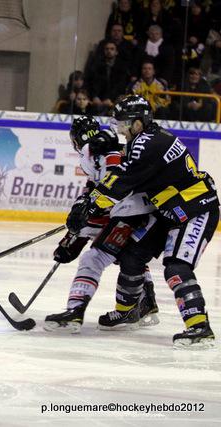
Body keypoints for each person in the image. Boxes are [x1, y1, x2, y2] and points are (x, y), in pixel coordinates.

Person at [85, 95, 218, 348]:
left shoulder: (150, 143)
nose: (121, 130)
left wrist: (91, 202)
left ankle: (199, 327)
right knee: (131, 255)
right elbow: (128, 176)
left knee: (176, 267)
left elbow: (123, 180)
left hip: (195, 208)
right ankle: (129, 310)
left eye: (124, 124)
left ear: (138, 123)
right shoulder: (147, 138)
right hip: (169, 209)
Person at [44, 116, 158, 333]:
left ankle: (75, 311)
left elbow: (113, 185)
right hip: (142, 211)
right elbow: (96, 185)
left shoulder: (91, 149)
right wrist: (82, 209)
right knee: (129, 255)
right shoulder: (106, 145)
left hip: (128, 212)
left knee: (93, 258)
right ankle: (147, 302)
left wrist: (75, 235)